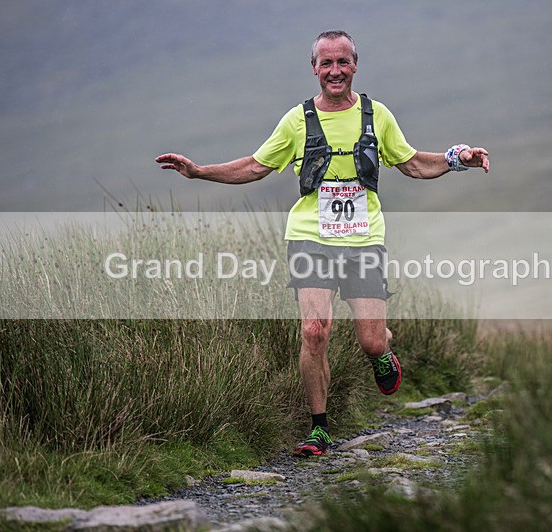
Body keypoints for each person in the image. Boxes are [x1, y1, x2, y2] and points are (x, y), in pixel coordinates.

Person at [156, 30, 489, 457]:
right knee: (314, 331)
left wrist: (456, 158)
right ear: (314, 68)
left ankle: (383, 350)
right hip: (310, 238)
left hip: (363, 240)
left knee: (369, 341)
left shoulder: (376, 115)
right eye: (326, 63)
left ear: (355, 66)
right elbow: (255, 167)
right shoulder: (297, 121)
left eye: (343, 62)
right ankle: (320, 428)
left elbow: (412, 165)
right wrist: (199, 171)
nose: (335, 71)